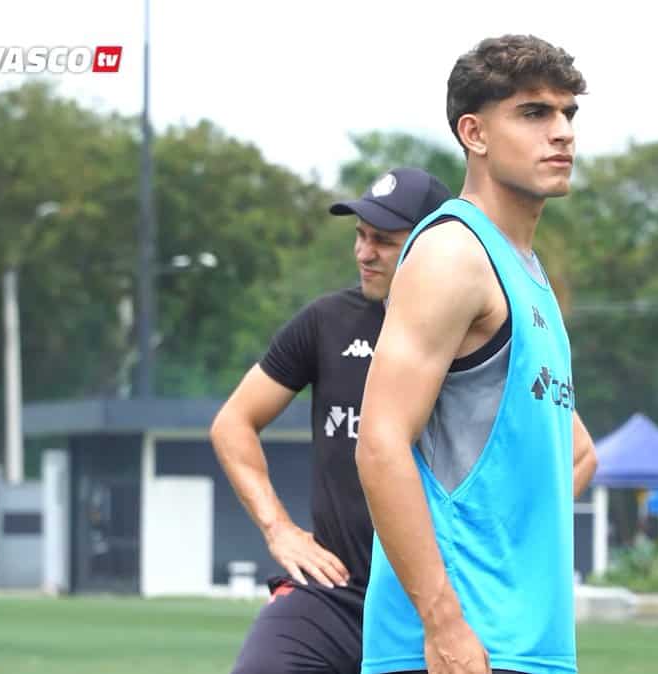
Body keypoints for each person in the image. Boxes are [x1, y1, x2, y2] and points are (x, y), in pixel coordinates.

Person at [355, 35, 598, 674]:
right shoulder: (453, 253)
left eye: (569, 114)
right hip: (457, 649)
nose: (562, 133)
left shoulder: (528, 272)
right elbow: (380, 444)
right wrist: (444, 620)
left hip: (525, 645)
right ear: (475, 133)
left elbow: (577, 454)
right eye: (534, 113)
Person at [211, 167, 452, 674]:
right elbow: (233, 423)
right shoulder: (327, 322)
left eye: (383, 241)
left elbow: (576, 454)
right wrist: (279, 529)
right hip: (336, 593)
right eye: (360, 237)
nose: (364, 253)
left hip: (437, 605)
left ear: (431, 245)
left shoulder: (476, 329)